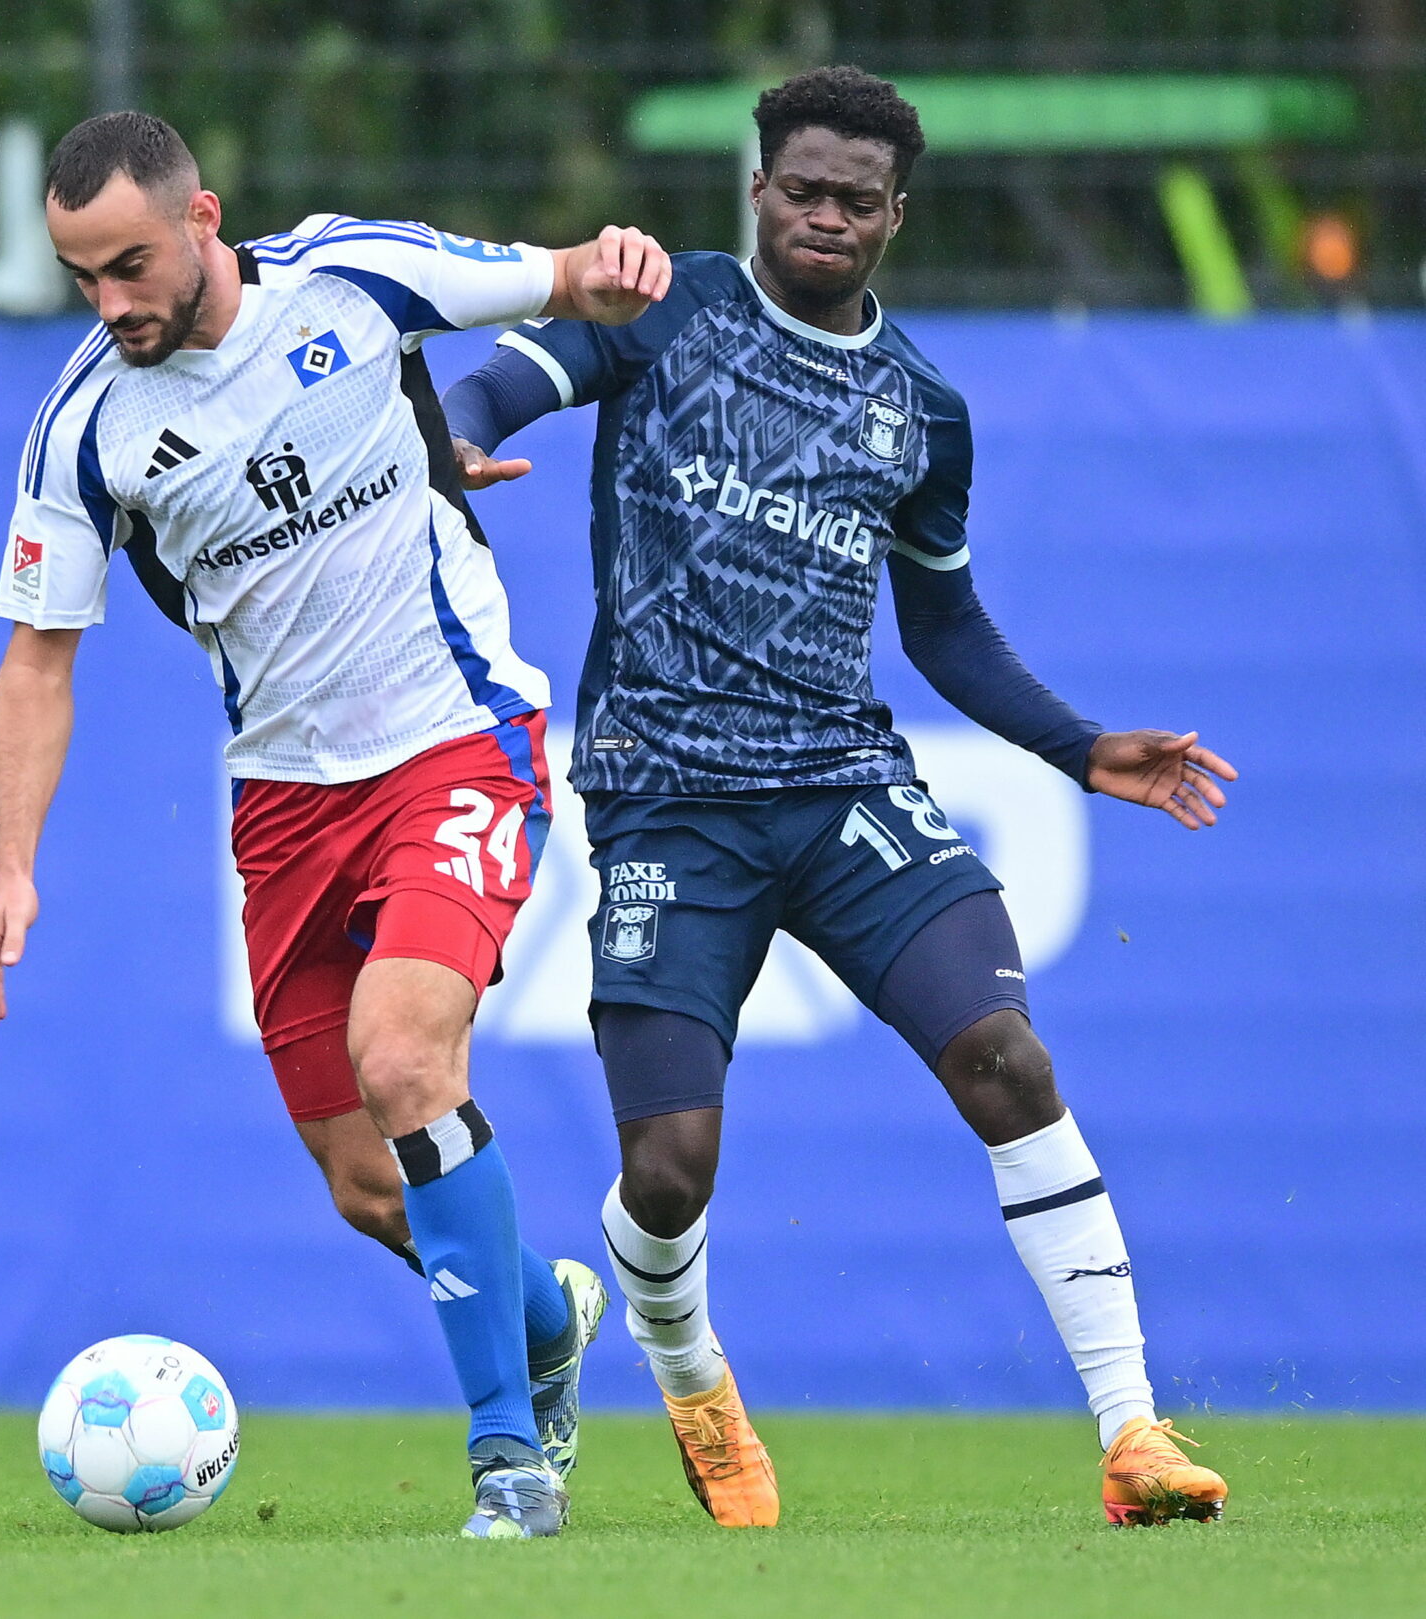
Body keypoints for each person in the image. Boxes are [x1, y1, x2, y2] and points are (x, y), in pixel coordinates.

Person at [441, 66, 1237, 1530]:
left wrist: (1078, 745)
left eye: (853, 201)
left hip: (842, 787)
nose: (823, 216)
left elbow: (941, 622)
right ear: (757, 190)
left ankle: (1134, 1433)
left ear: (894, 218)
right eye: (799, 189)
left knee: (1006, 1057)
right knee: (670, 1174)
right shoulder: (670, 306)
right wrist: (456, 432)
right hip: (666, 800)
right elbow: (511, 376)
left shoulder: (921, 410)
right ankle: (688, 1373)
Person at [0, 109, 672, 1537]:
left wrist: (612, 263)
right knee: (370, 1184)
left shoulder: (352, 278)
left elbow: (556, 282)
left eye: (129, 266)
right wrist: (13, 869)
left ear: (203, 219)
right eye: (81, 278)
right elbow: (38, 660)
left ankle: (509, 1465)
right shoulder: (85, 428)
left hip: (457, 744)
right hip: (287, 803)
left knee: (407, 1055)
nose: (111, 305)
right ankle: (544, 1318)